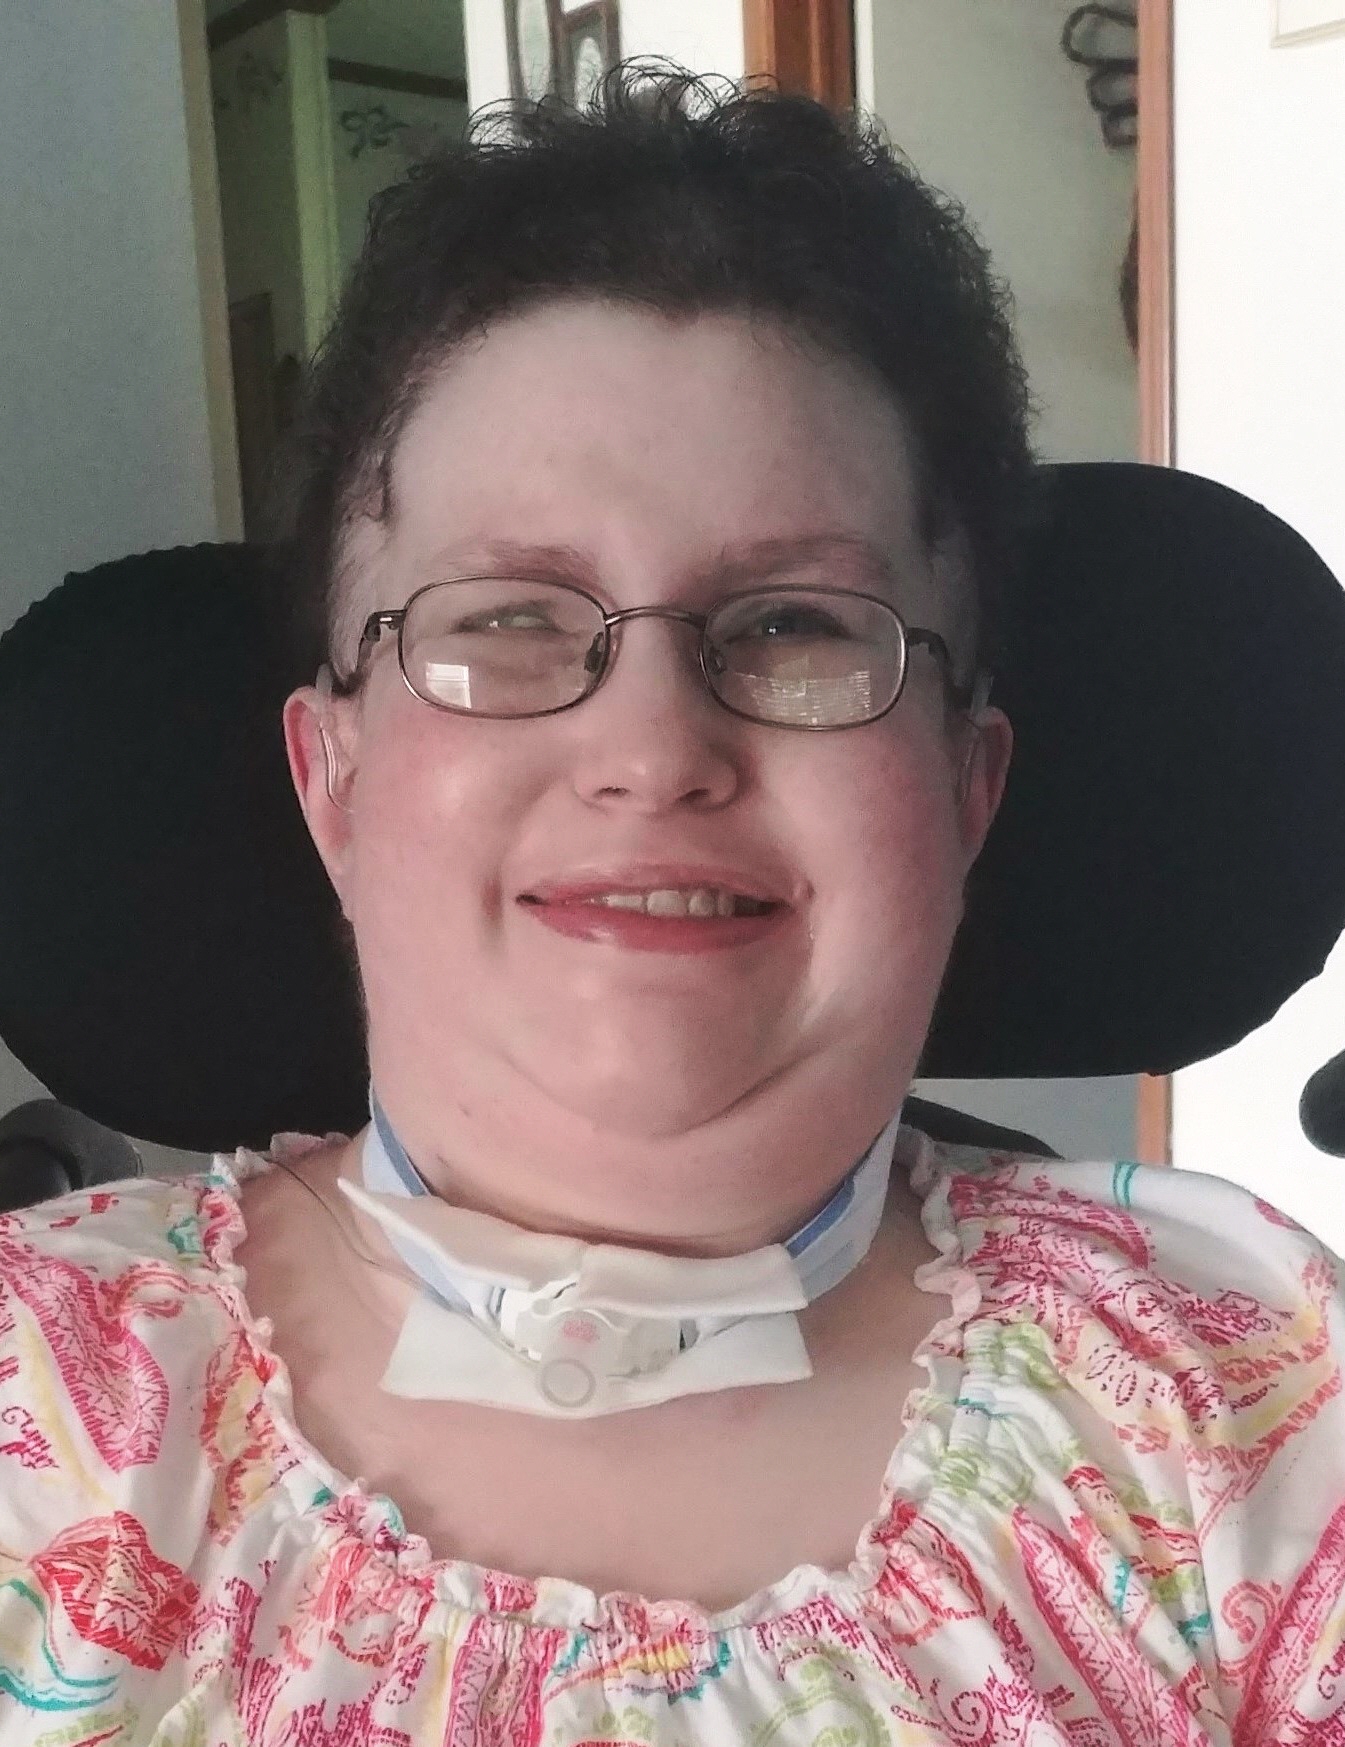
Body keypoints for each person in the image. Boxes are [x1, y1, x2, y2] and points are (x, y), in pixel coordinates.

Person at [2, 67, 1344, 1745]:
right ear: (330, 775)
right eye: (506, 617)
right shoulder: (33, 1407)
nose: (649, 750)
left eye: (795, 625)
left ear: (965, 786)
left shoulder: (1256, 1402)